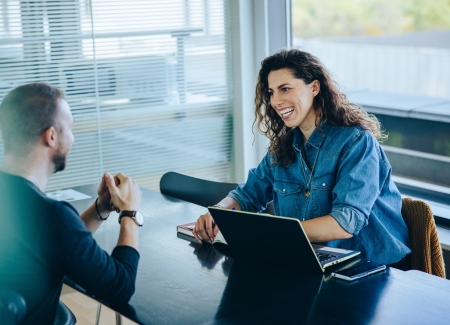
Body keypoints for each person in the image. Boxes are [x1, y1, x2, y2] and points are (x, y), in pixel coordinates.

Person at [193, 49, 411, 266]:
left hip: (373, 267)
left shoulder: (355, 142)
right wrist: (218, 214)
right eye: (271, 93)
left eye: (285, 89)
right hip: (311, 260)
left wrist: (275, 234)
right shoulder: (282, 147)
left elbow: (346, 222)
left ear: (314, 87)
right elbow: (246, 196)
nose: (275, 101)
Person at [0, 83, 143, 324]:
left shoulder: (26, 207)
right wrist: (130, 213)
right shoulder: (49, 214)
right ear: (52, 136)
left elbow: (54, 244)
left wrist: (101, 208)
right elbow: (120, 287)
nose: (74, 138)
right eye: (71, 128)